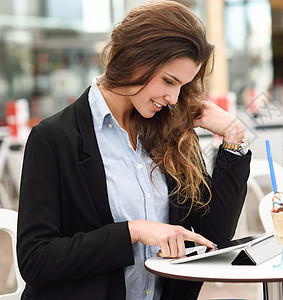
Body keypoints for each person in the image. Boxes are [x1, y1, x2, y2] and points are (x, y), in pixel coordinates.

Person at [16, 1, 251, 299]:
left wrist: (234, 139)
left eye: (183, 86)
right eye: (168, 81)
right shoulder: (54, 138)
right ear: (134, 58)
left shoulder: (171, 134)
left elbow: (212, 236)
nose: (174, 97)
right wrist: (132, 231)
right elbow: (36, 260)